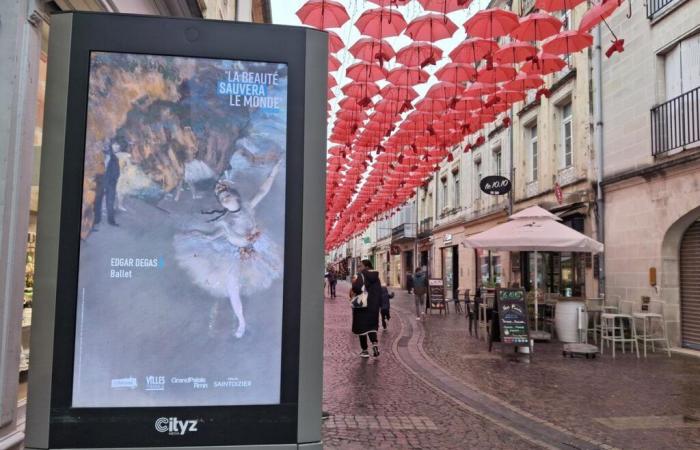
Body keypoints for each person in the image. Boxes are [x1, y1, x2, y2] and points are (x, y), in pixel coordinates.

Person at [173, 159, 283, 338]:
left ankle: (244, 320)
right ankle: (241, 323)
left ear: (236, 196)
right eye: (222, 199)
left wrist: (273, 173)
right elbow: (212, 237)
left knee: (265, 272)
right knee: (233, 288)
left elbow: (263, 190)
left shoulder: (248, 207)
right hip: (232, 253)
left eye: (227, 195)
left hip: (253, 248)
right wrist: (194, 235)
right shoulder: (225, 222)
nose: (224, 199)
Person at [349, 259, 382, 358]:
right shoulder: (376, 277)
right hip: (373, 307)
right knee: (371, 327)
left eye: (360, 266)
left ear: (366, 267)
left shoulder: (362, 275)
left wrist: (354, 285)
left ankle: (364, 350)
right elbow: (379, 291)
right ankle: (375, 344)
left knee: (362, 328)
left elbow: (357, 288)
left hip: (362, 306)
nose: (359, 268)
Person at [93, 139, 122, 228]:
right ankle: (96, 220)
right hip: (100, 183)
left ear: (110, 147)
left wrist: (113, 182)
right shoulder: (98, 157)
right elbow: (94, 170)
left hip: (110, 184)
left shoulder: (114, 158)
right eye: (104, 145)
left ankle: (111, 220)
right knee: (97, 202)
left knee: (110, 202)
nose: (106, 147)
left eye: (107, 145)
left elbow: (117, 172)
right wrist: (96, 180)